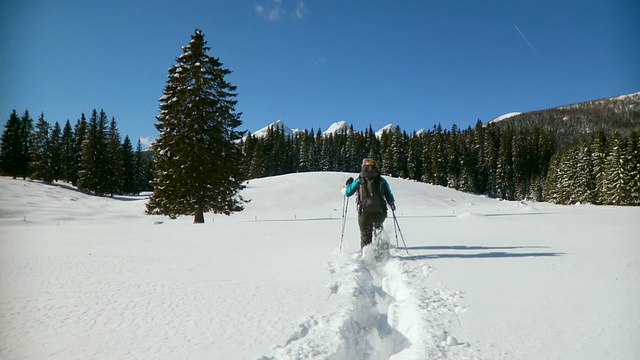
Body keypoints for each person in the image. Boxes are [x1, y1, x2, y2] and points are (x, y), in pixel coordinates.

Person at [343, 158, 395, 249]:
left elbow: (348, 193)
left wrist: (348, 184)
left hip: (364, 213)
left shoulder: (360, 180)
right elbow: (389, 196)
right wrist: (392, 204)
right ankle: (381, 253)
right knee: (378, 230)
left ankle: (366, 257)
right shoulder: (381, 181)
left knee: (365, 237)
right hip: (380, 213)